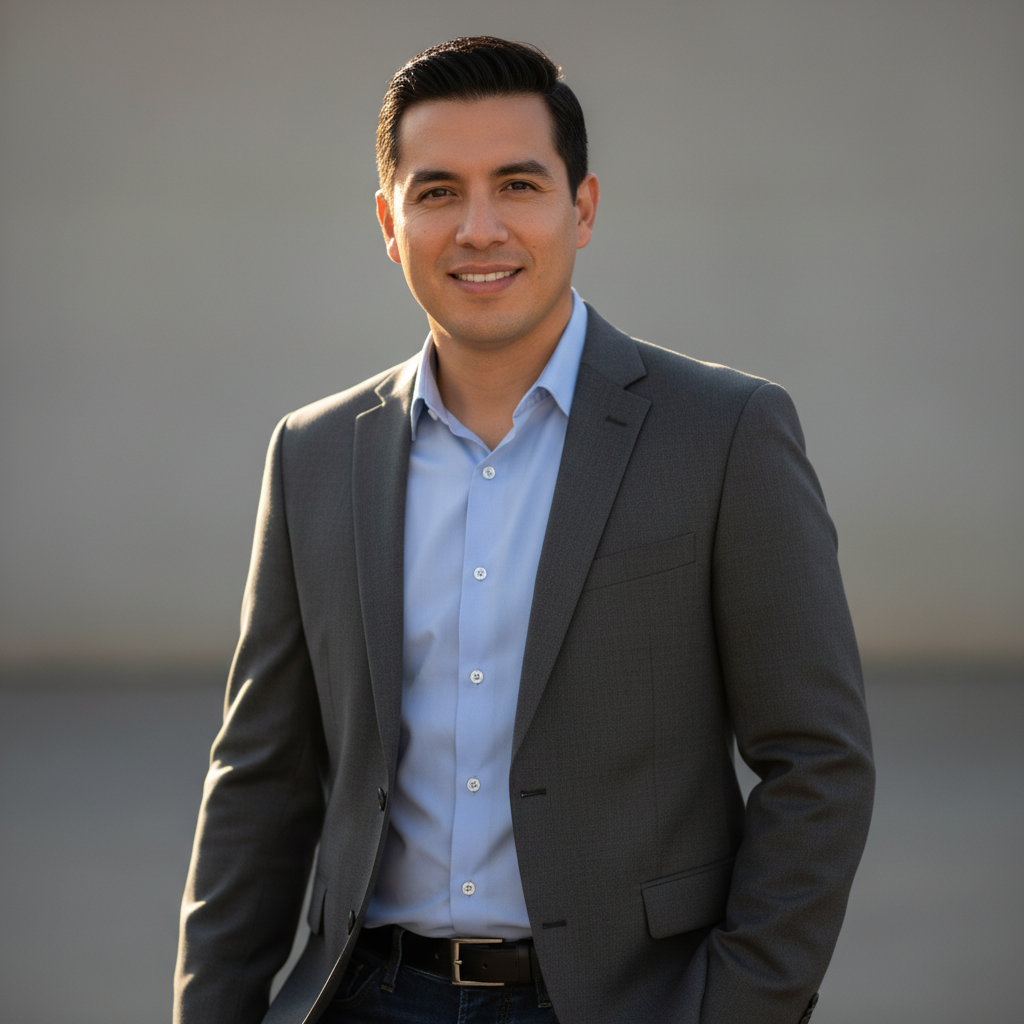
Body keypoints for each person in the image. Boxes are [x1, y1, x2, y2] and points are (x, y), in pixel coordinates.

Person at [174, 36, 874, 1024]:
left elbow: (819, 760)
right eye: (436, 193)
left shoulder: (723, 435)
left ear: (581, 208)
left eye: (517, 184)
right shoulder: (314, 455)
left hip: (621, 1003)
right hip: (364, 996)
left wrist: (740, 1008)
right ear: (387, 221)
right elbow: (259, 781)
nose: (479, 228)